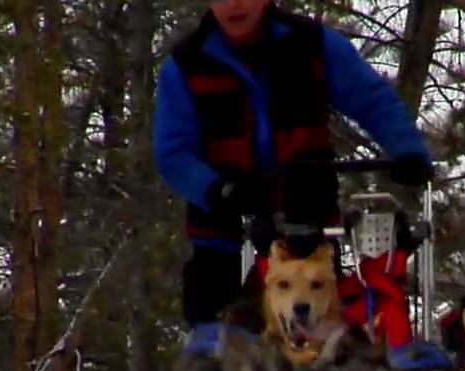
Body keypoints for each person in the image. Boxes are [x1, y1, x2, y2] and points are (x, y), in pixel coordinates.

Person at [153, 0, 434, 329]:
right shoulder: (187, 64)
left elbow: (373, 100)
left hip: (308, 232)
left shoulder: (312, 45)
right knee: (212, 348)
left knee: (320, 342)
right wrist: (217, 189)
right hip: (223, 237)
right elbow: (173, 153)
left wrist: (408, 151)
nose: (234, 5)